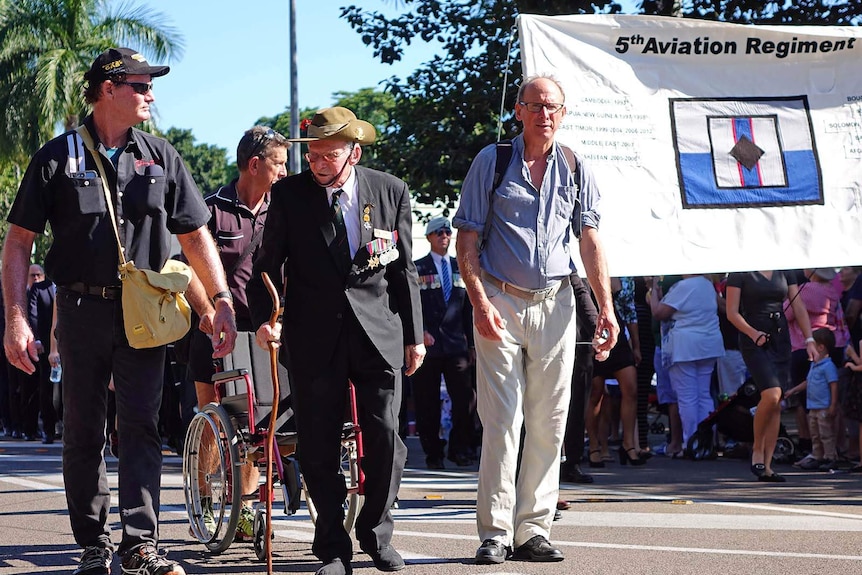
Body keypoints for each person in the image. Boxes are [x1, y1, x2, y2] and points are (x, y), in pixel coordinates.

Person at [2, 47, 236, 575]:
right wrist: (17, 319)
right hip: (81, 310)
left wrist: (218, 301)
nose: (150, 94)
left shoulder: (161, 155)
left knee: (141, 424)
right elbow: (18, 243)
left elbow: (195, 235)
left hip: (146, 313)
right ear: (109, 89)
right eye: (141, 85)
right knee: (83, 428)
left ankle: (140, 543)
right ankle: (92, 542)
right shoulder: (57, 157)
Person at [247, 106, 425, 575]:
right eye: (314, 154)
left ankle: (375, 532)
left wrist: (413, 337)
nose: (319, 163)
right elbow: (266, 265)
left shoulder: (390, 190)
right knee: (318, 445)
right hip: (313, 336)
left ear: (355, 152)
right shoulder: (288, 195)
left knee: (387, 439)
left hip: (378, 334)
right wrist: (268, 316)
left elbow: (403, 269)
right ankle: (331, 545)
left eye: (330, 154)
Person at [453, 75, 618, 565]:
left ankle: (533, 530)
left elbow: (589, 239)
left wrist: (606, 307)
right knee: (503, 421)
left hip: (557, 301)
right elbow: (467, 237)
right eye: (536, 105)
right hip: (500, 300)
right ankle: (496, 532)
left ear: (563, 114)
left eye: (554, 107)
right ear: (519, 112)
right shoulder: (493, 160)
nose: (545, 114)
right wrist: (479, 301)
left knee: (549, 422)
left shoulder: (573, 165)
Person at [182, 125, 289, 540]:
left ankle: (244, 510)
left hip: (262, 333)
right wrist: (207, 312)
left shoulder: (283, 209)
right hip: (213, 332)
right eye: (278, 164)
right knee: (215, 418)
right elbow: (188, 266)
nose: (283, 172)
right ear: (254, 164)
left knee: (253, 423)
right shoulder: (210, 208)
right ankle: (208, 498)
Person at [726, 270, 815, 482]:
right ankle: (757, 448)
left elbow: (798, 305)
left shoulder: (784, 269)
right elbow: (732, 312)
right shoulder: (740, 271)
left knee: (777, 401)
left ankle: (767, 466)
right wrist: (752, 333)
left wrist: (809, 338)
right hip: (753, 337)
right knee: (772, 393)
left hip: (779, 336)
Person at [411, 216, 476, 469]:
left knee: (464, 399)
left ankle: (459, 448)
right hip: (428, 345)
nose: (444, 237)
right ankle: (433, 452)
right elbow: (412, 305)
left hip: (456, 344)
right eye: (438, 233)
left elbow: (469, 309)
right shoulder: (418, 268)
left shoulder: (461, 267)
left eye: (447, 233)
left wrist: (471, 344)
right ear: (429, 237)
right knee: (427, 403)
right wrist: (420, 332)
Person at [649, 274, 724, 447]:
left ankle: (691, 441)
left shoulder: (683, 287)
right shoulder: (707, 284)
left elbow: (659, 313)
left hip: (685, 346)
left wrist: (653, 290)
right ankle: (706, 441)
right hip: (709, 343)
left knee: (687, 397)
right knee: (704, 394)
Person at [786, 328, 840, 470]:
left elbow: (833, 385)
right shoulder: (814, 365)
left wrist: (833, 404)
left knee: (826, 434)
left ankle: (830, 457)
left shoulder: (828, 366)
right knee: (815, 434)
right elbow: (808, 381)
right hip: (812, 407)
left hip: (824, 406)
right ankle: (817, 456)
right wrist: (794, 390)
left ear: (820, 348)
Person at [27, 264, 59, 444]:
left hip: (71, 345)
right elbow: (33, 315)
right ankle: (49, 429)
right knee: (47, 389)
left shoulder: (72, 287)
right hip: (48, 347)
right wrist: (37, 339)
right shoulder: (39, 289)